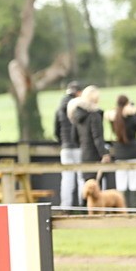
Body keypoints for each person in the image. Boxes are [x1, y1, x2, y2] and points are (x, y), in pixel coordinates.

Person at [69, 85, 110, 195]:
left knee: (86, 188)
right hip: (95, 155)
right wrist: (104, 154)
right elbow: (97, 137)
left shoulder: (76, 115)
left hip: (84, 154)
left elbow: (74, 137)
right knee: (97, 190)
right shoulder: (95, 115)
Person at [106, 94, 136, 208]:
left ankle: (122, 209)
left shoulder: (113, 118)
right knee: (135, 184)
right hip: (134, 153)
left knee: (121, 184)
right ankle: (134, 209)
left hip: (120, 154)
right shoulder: (131, 118)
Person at [53, 81, 83, 209]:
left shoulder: (59, 109)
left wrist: (63, 142)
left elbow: (56, 131)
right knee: (81, 177)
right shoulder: (78, 107)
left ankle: (65, 207)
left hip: (65, 147)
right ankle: (83, 206)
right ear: (78, 93)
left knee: (66, 179)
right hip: (78, 146)